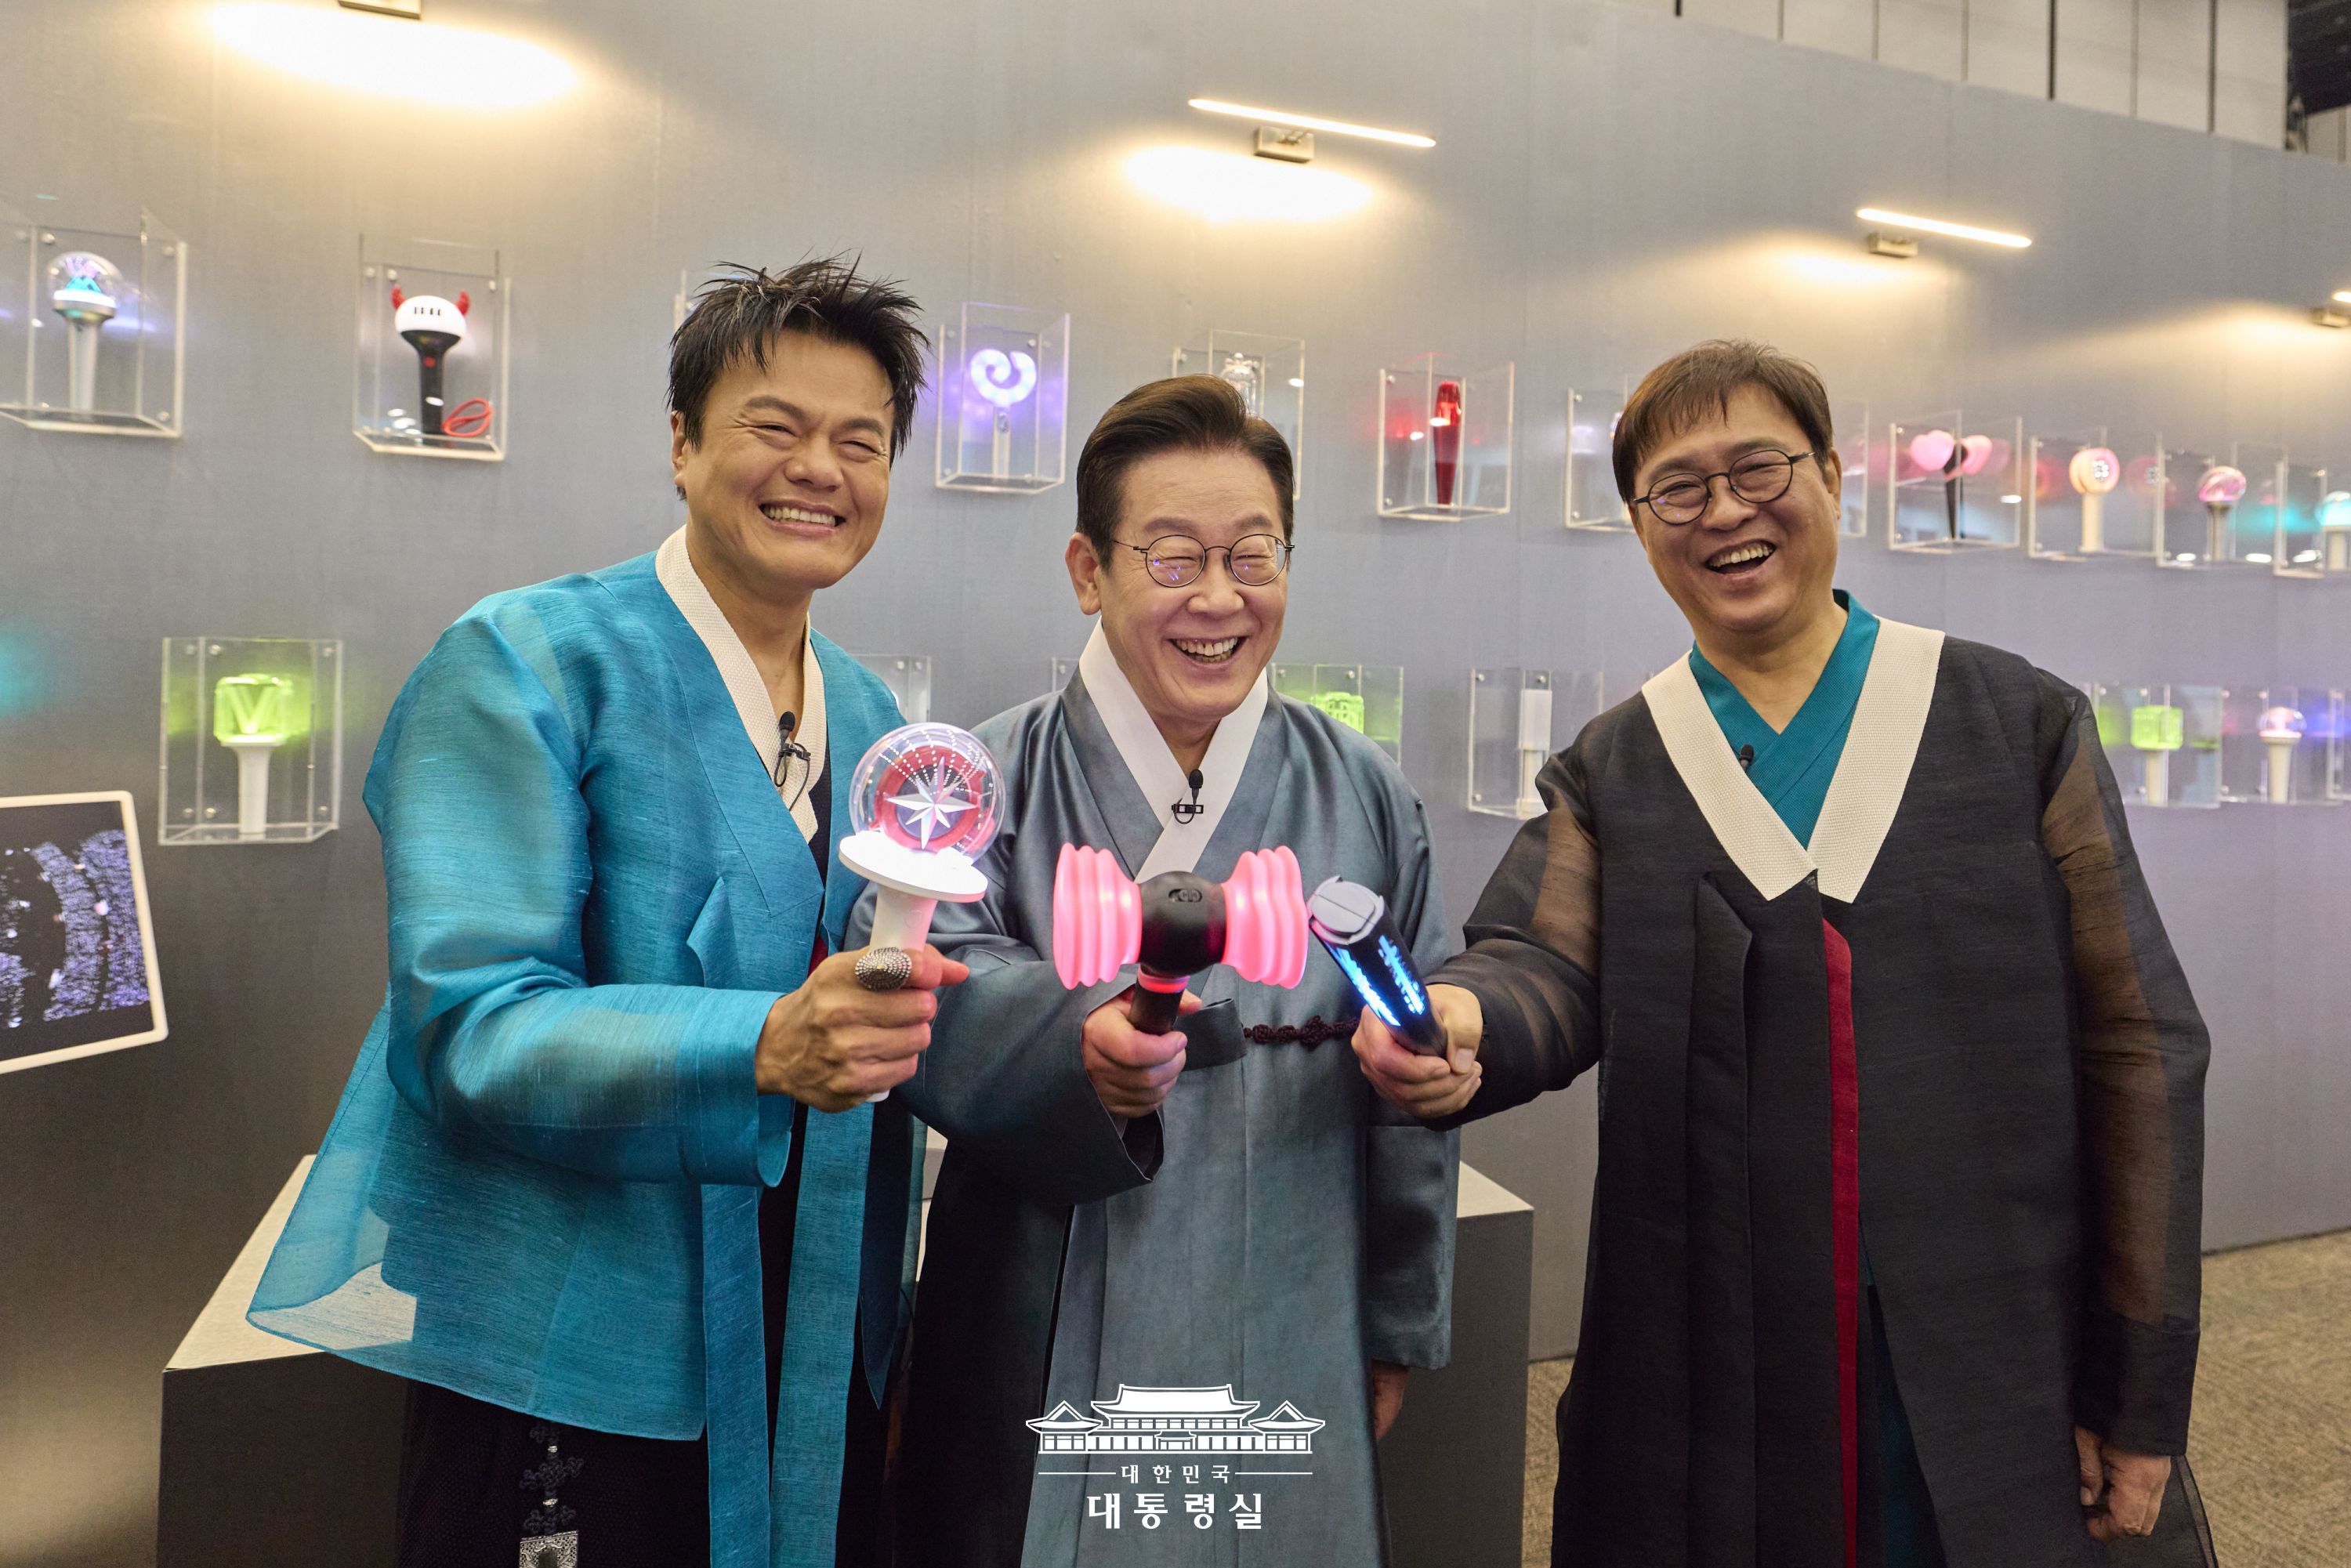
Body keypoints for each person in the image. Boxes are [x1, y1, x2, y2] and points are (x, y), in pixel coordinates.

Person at [1353, 340, 2215, 1567]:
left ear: (1830, 480)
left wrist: (2138, 1392)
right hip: (1707, 1350)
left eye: (1759, 468)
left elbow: (2140, 1042)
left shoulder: (2009, 721)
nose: (1726, 512)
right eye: (1679, 490)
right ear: (1644, 528)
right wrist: (1460, 1020)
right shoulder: (1622, 763)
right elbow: (1540, 963)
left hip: (1987, 1337)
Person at [248, 260, 962, 1568]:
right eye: (774, 427)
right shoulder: (523, 662)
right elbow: (470, 1026)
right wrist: (758, 1044)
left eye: (860, 442)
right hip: (570, 1359)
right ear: (682, 445)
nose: (821, 470)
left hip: (811, 1343)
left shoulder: (870, 718)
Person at [878, 375, 1458, 1566]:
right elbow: (922, 982)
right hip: (1043, 1296)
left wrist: (1397, 1315)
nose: (1219, 598)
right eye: (1174, 556)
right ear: (1089, 570)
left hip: (1300, 1292)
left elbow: (1416, 1044)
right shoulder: (991, 775)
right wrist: (1067, 1039)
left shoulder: (1363, 786)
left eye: (1255, 557)